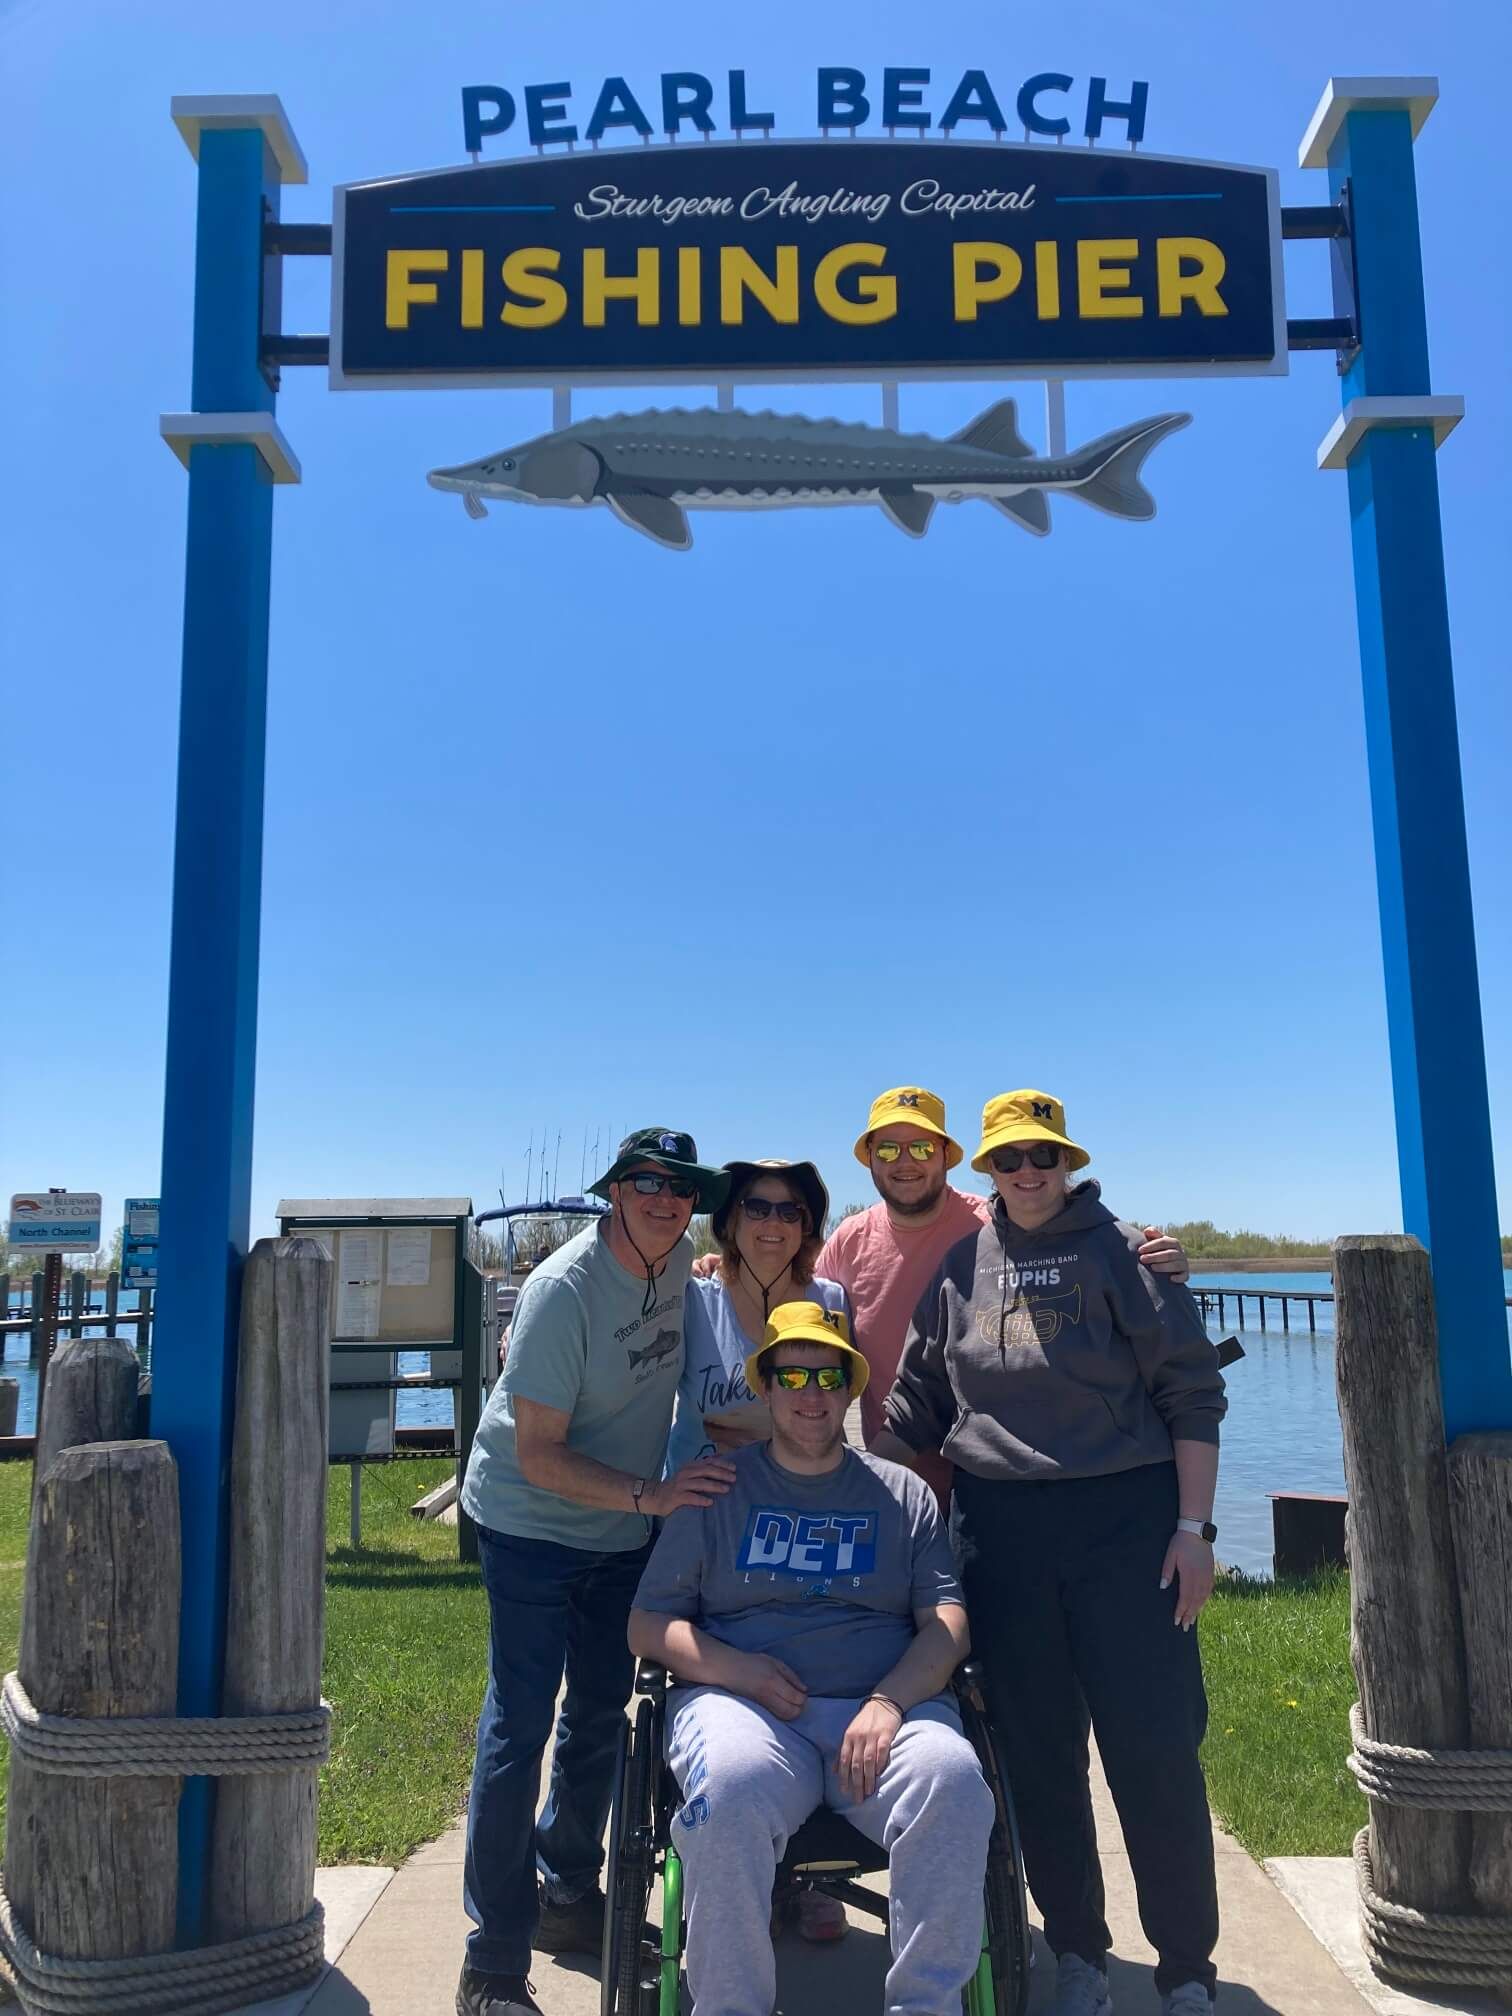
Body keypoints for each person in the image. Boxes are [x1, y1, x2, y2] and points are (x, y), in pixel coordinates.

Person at [872, 1090, 1227, 2016]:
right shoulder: (959, 1269)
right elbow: (913, 1410)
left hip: (1128, 1527)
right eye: (1008, 1160)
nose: (1027, 1175)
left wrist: (1194, 1533)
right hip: (1002, 1535)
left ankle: (1187, 1965)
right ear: (983, 1169)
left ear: (1067, 1161)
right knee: (1037, 1756)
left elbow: (1191, 1394)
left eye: (1043, 1157)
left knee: (1152, 1751)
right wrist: (796, 1455)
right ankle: (1076, 1950)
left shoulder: (1124, 1255)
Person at [629, 1302, 995, 2016]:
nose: (811, 1393)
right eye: (791, 1375)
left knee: (953, 1779)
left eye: (828, 1377)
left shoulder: (904, 1495)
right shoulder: (715, 1492)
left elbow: (948, 1625)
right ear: (764, 1388)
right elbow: (647, 1625)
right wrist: (739, 1671)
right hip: (747, 1714)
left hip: (881, 1716)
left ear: (850, 1389)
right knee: (728, 1788)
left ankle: (925, 2006)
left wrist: (889, 1703)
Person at [456, 1129, 737, 2016]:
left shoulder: (684, 1259)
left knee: (598, 1718)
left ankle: (568, 1896)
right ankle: (492, 1961)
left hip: (619, 1536)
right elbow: (536, 1454)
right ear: (614, 1191)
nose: (665, 1199)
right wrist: (651, 1496)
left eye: (681, 1186)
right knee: (520, 1723)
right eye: (646, 1182)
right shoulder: (560, 1290)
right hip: (531, 1528)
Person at [810, 1086, 1191, 1502]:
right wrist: (730, 1269)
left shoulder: (993, 1226)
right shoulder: (848, 1241)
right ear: (869, 1158)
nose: (904, 1162)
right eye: (887, 1150)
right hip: (900, 1484)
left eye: (920, 1148)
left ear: (945, 1155)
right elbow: (801, 1318)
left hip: (998, 1485)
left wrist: (1149, 1255)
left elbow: (1077, 1239)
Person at [666, 1157, 853, 1943]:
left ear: (809, 1226)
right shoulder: (694, 1297)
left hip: (806, 1508)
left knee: (820, 1664)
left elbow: (830, 1408)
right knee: (731, 1681)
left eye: (790, 1210)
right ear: (732, 1221)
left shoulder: (830, 1301)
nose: (772, 1223)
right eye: (756, 1208)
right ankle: (732, 1861)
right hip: (712, 1510)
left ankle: (803, 1873)